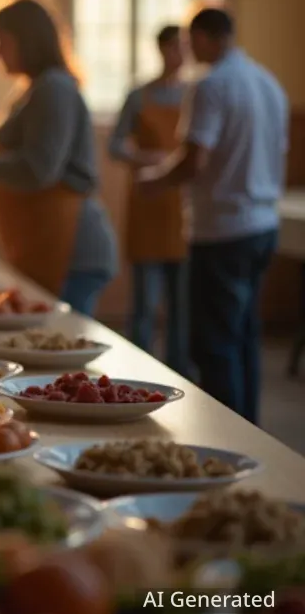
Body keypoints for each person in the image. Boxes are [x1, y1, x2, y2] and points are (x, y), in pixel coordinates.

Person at [138, 3, 289, 425]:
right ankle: (249, 426)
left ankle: (228, 436)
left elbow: (194, 161)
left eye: (189, 40)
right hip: (262, 225)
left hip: (222, 230)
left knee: (214, 343)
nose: (188, 50)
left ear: (203, 37)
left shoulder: (211, 84)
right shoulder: (267, 82)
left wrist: (155, 180)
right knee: (244, 337)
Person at [0, 0, 118, 316]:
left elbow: (40, 169)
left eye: (0, 39)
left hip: (70, 249)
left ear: (26, 40)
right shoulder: (32, 88)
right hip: (43, 241)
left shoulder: (54, 88)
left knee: (58, 343)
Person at [107, 25, 190, 376]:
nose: (180, 55)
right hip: (147, 203)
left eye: (183, 47)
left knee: (182, 306)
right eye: (173, 48)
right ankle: (139, 377)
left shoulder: (196, 93)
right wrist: (145, 158)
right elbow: (115, 144)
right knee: (144, 303)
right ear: (161, 50)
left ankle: (181, 373)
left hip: (185, 208)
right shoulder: (139, 95)